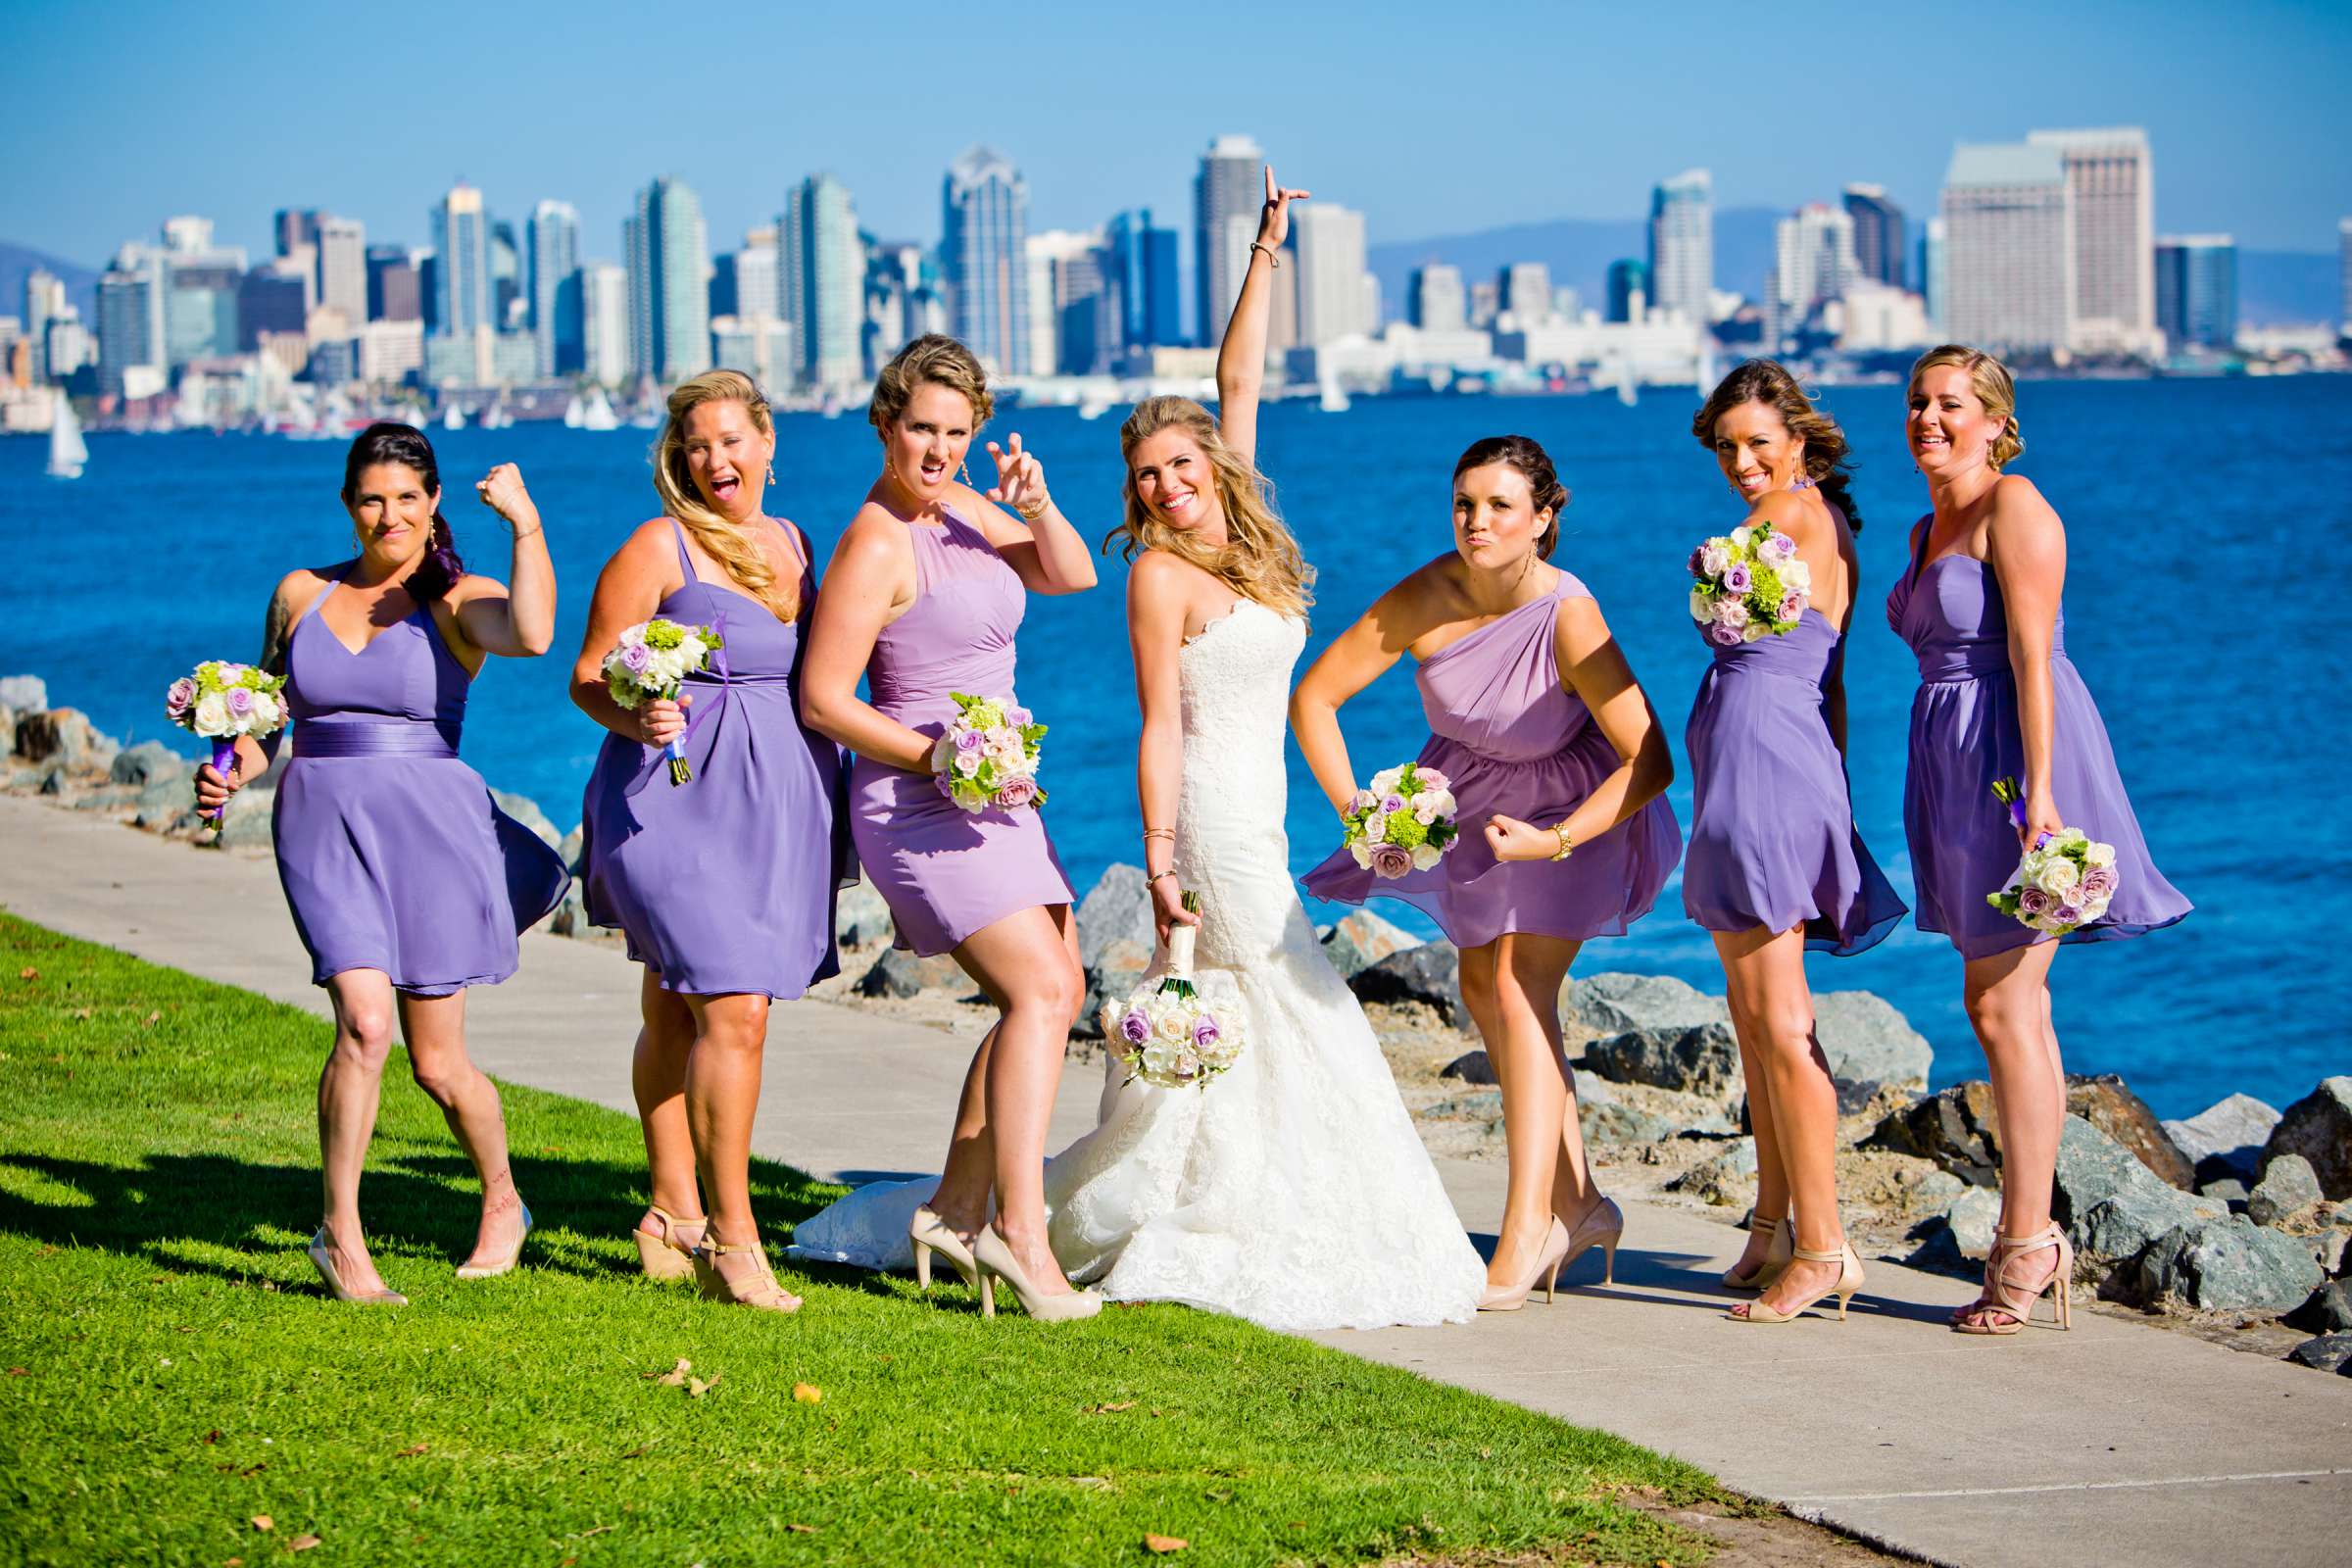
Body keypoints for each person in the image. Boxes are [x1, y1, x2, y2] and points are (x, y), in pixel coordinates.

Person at [788, 171, 1488, 1332]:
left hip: (1241, 804)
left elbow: (1235, 386)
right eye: (1147, 475)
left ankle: (964, 1208)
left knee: (1080, 994)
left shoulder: (1241, 531)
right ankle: (1040, 1224)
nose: (1164, 485)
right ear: (888, 425)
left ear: (1212, 469)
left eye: (1181, 467)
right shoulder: (1155, 570)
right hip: (1199, 814)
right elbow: (1159, 721)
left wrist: (1266, 253)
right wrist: (1159, 853)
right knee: (1262, 991)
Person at [1294, 435, 1679, 1311]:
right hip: (1470, 799)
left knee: (1517, 986)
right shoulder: (1428, 591)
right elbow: (1314, 699)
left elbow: (1650, 760)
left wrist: (1555, 841)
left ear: (1544, 519)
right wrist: (1363, 809)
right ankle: (1580, 1205)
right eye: (1466, 503)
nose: (1478, 521)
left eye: (1501, 505)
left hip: (1576, 812)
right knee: (1481, 984)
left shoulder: (1569, 614)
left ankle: (1527, 1230)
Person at [195, 422, 567, 1304]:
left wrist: (525, 524)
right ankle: (341, 1238)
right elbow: (268, 719)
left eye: (407, 498)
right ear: (347, 504)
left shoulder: (453, 599)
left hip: (433, 833)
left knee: (437, 1064)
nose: (388, 514)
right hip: (322, 824)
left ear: (433, 503)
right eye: (371, 498)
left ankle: (504, 1200)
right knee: (364, 1024)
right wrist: (229, 776)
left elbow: (536, 634)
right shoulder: (301, 592)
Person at [796, 336, 1102, 1322]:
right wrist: (935, 756)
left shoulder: (971, 505)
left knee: (1055, 990)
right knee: (1044, 988)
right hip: (918, 798)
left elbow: (1073, 578)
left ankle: (952, 1212)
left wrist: (1035, 497)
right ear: (886, 424)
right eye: (921, 428)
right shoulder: (877, 539)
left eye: (956, 432)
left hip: (999, 791)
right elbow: (822, 698)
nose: (937, 449)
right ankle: (1020, 1232)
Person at [1887, 345, 2191, 1335]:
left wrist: (2044, 798)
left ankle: (2027, 1241)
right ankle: (2030, 1234)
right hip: (1951, 764)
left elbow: (2032, 653)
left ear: (1995, 420)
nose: (1930, 418)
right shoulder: (1928, 523)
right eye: (1919, 402)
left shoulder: (2016, 507)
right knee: (2003, 1004)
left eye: (1951, 404)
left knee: (2006, 1004)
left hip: (2018, 767)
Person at [572, 369, 845, 1315]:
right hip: (671, 796)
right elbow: (587, 675)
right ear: (676, 458)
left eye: (732, 440)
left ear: (767, 444)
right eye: (696, 445)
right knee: (735, 1013)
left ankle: (669, 1212)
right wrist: (632, 709)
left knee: (674, 1008)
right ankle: (735, 1238)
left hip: (778, 802)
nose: (715, 460)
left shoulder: (800, 544)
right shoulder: (660, 545)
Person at [1682, 361, 1905, 1325]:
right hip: (1758, 769)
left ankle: (1825, 1245)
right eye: (1727, 447)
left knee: (1780, 1021)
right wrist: (1838, 786)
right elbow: (1837, 681)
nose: (1741, 462)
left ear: (1799, 441)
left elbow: (1786, 635)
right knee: (1747, 1013)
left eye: (1757, 443)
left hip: (1771, 772)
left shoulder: (1798, 520)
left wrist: (1720, 564)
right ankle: (1773, 1222)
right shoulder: (1792, 523)